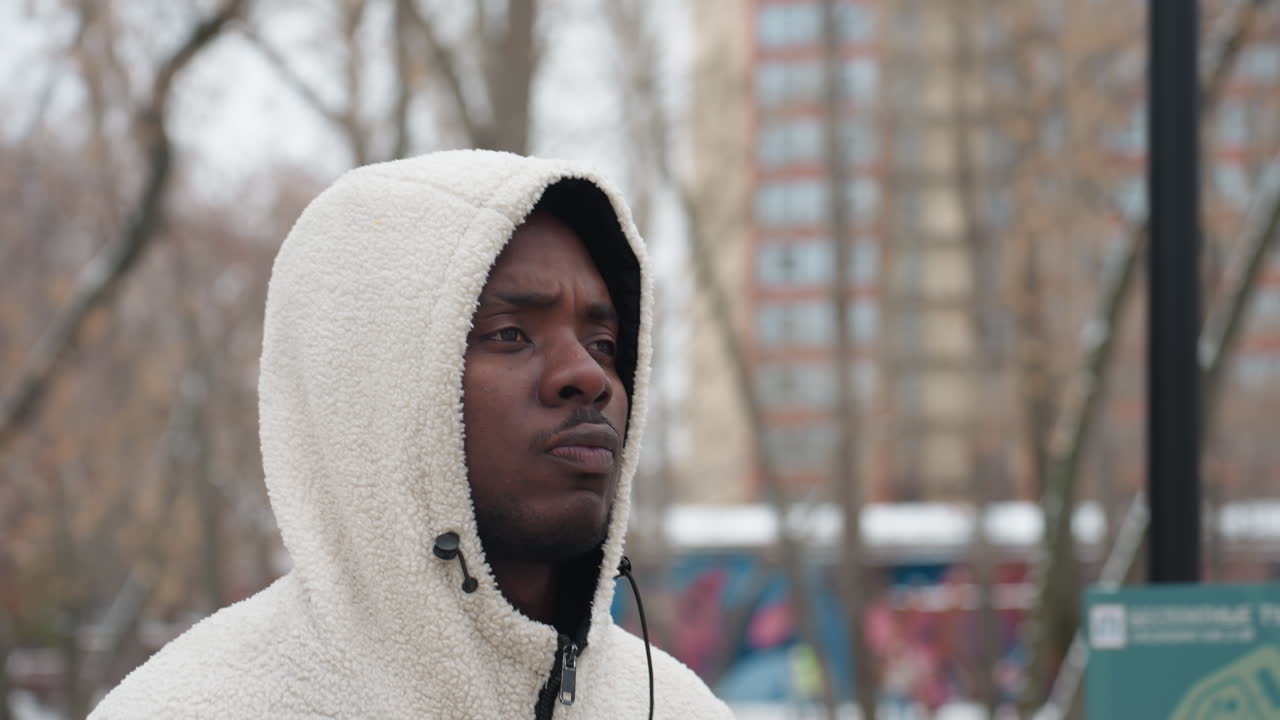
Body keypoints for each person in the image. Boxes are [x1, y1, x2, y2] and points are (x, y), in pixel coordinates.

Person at [89, 151, 732, 719]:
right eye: (510, 334)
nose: (588, 377)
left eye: (604, 343)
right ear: (376, 387)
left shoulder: (670, 706)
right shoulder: (199, 706)